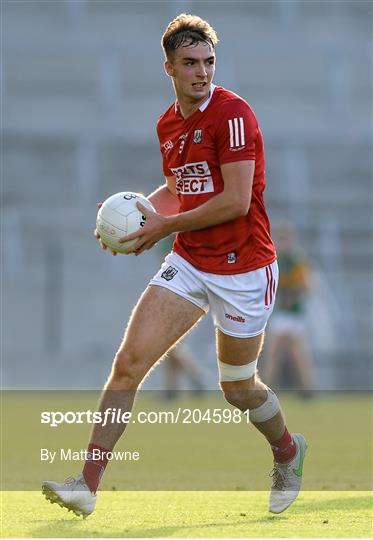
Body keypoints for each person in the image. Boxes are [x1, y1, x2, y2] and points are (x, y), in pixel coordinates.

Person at [42, 13, 307, 517]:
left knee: (237, 388)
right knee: (129, 364)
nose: (202, 72)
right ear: (169, 67)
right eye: (189, 63)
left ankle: (288, 451)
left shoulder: (234, 115)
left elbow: (234, 201)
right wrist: (136, 218)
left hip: (244, 269)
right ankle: (87, 484)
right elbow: (178, 189)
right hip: (190, 262)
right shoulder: (168, 123)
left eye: (208, 62)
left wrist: (163, 227)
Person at [263, 222, 314, 397]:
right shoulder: (275, 259)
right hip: (281, 313)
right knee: (274, 352)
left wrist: (290, 297)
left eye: (285, 238)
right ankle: (269, 388)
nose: (282, 242)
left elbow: (306, 286)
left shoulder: (295, 259)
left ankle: (305, 389)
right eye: (280, 238)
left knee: (294, 353)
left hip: (294, 313)